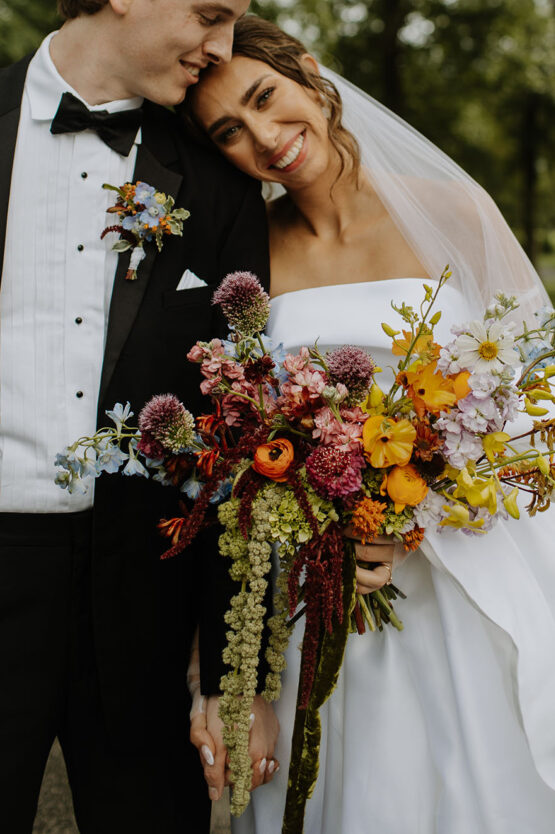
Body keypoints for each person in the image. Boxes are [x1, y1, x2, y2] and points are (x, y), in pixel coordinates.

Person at [184, 15, 555, 834]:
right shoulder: (251, 254)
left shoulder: (452, 209)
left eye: (266, 98)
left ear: (313, 77)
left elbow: (541, 394)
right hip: (316, 569)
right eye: (230, 132)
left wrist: (420, 504)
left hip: (465, 547)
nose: (266, 138)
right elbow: (241, 428)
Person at [0, 2, 280, 832]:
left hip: (146, 587)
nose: (221, 46)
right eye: (210, 13)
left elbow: (241, 434)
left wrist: (238, 672)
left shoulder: (223, 184)